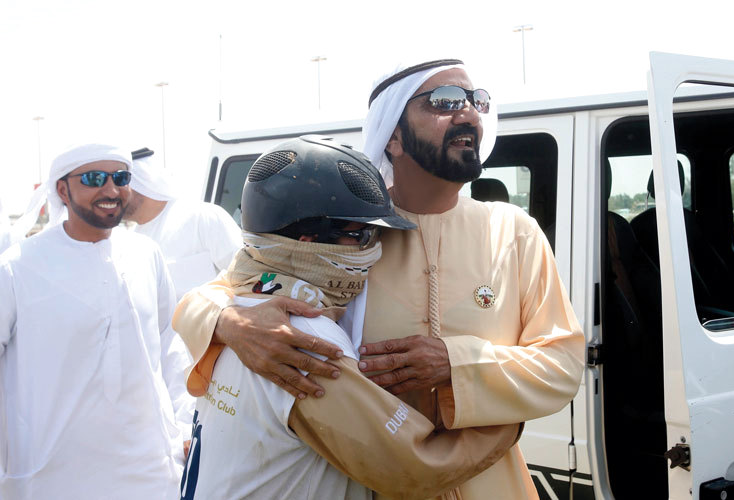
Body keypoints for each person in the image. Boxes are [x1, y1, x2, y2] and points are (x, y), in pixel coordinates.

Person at [174, 59, 585, 499]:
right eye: (445, 101)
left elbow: (562, 364)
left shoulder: (515, 233)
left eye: (475, 101)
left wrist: (456, 364)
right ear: (393, 136)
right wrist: (230, 323)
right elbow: (206, 299)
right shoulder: (348, 236)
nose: (467, 113)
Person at [180, 135, 521, 499]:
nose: (373, 249)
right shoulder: (301, 340)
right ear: (309, 241)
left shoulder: (237, 307)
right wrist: (506, 423)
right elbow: (415, 465)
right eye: (360, 235)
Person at [0, 143, 194, 499]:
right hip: (51, 477)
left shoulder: (146, 255)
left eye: (120, 178)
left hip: (150, 471)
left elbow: (171, 345)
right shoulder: (16, 268)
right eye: (94, 178)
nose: (111, 190)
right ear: (63, 190)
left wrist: (183, 426)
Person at [125, 148, 242, 301]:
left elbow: (248, 276)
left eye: (120, 185)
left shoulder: (201, 216)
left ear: (140, 184)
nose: (112, 194)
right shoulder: (132, 241)